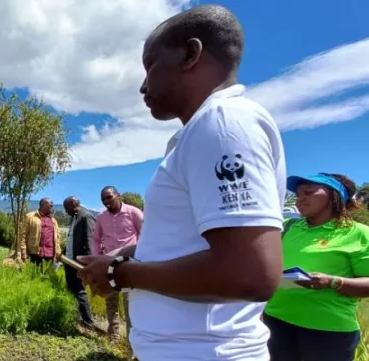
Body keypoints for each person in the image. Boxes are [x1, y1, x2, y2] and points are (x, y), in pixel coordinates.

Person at [77, 5, 286, 361]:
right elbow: (187, 246)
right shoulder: (202, 133)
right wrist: (126, 257)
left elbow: (250, 273)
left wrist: (120, 273)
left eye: (150, 65)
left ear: (191, 54)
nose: (143, 84)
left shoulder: (222, 124)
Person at [263, 173, 369, 361]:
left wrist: (333, 282)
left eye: (308, 192)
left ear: (334, 196)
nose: (299, 198)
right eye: (297, 194)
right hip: (276, 321)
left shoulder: (358, 233)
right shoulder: (288, 226)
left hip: (329, 331)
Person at [92, 186, 143, 341]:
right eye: (103, 199)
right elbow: (96, 239)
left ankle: (131, 342)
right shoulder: (101, 217)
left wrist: (140, 255)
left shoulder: (134, 213)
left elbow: (145, 234)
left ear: (118, 195)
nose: (106, 201)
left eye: (109, 197)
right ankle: (113, 336)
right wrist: (96, 258)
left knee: (130, 304)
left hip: (129, 265)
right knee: (111, 301)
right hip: (109, 264)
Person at [62, 196, 96, 331]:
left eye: (66, 208)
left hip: (78, 263)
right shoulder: (75, 217)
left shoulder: (86, 217)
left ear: (74, 204)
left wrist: (87, 265)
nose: (65, 211)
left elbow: (89, 242)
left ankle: (88, 323)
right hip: (69, 261)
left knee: (80, 292)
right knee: (72, 289)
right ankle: (77, 317)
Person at [18, 198, 61, 267]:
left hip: (50, 254)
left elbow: (58, 238)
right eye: (50, 206)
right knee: (33, 275)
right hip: (34, 253)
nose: (52, 207)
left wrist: (58, 252)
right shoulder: (30, 216)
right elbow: (23, 235)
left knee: (47, 276)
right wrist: (23, 250)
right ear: (43, 205)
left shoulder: (53, 221)